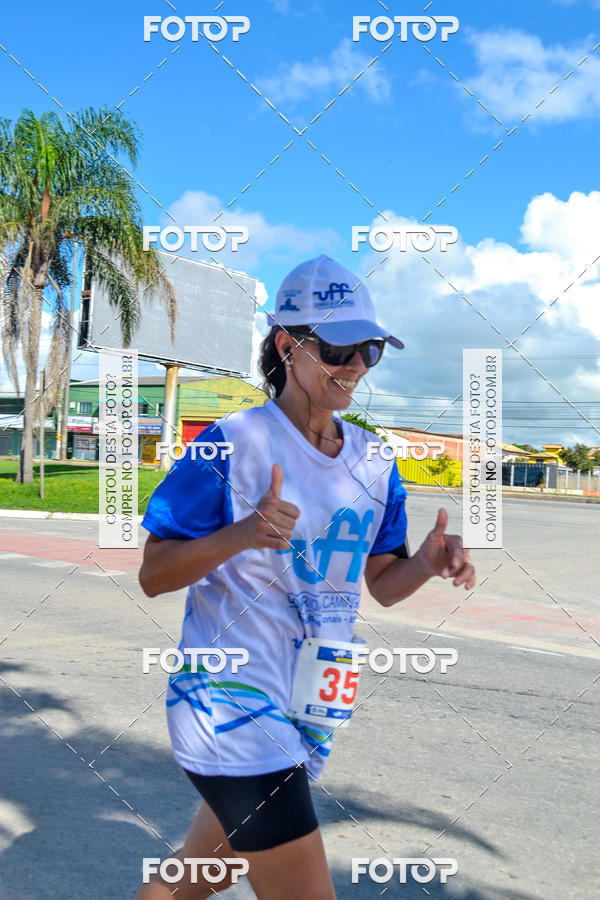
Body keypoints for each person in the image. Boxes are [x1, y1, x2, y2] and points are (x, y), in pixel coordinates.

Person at [135, 255, 476, 899]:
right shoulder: (232, 444)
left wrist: (426, 564)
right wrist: (242, 533)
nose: (355, 366)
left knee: (191, 881)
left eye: (369, 350)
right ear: (289, 345)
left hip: (311, 709)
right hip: (230, 703)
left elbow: (381, 583)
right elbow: (154, 573)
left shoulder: (375, 461)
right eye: (339, 347)